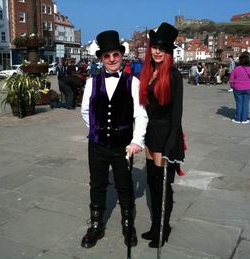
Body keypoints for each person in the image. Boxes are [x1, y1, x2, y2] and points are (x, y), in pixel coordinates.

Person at [80, 30, 148, 248]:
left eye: (115, 55)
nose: (111, 60)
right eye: (107, 56)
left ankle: (128, 224)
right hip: (97, 145)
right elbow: (85, 111)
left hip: (123, 146)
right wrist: (97, 130)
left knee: (125, 185)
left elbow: (141, 114)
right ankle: (96, 225)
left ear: (121, 56)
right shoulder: (92, 82)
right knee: (97, 184)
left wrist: (137, 140)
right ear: (101, 59)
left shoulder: (133, 82)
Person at [139, 22, 185, 248]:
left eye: (163, 48)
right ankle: (155, 225)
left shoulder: (174, 76)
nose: (157, 51)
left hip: (165, 134)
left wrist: (170, 144)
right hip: (150, 133)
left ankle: (163, 229)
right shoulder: (148, 72)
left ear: (168, 52)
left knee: (162, 185)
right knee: (151, 182)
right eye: (155, 46)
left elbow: (177, 116)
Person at [229, 52, 250, 124]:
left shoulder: (236, 69)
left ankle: (238, 119)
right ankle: (244, 119)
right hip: (248, 88)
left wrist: (232, 86)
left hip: (237, 88)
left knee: (239, 103)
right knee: (245, 104)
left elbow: (231, 80)